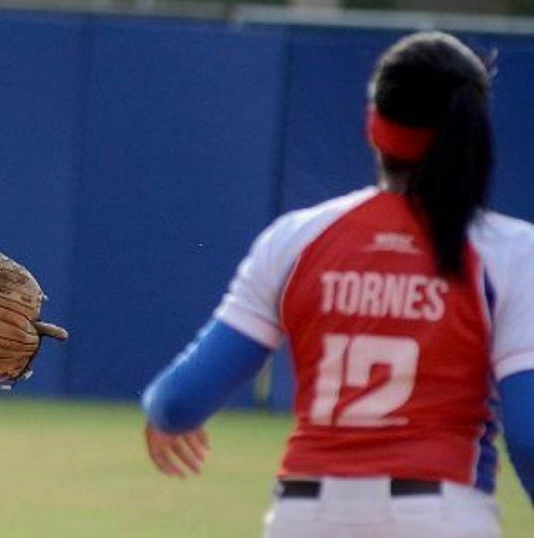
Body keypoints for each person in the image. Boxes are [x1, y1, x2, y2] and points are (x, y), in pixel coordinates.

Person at [140, 32, 534, 538]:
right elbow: (526, 431)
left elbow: (179, 400)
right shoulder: (508, 250)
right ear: (473, 128)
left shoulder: (298, 239)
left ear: (374, 126)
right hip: (439, 512)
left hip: (306, 515)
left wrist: (163, 415)